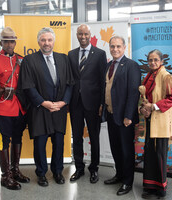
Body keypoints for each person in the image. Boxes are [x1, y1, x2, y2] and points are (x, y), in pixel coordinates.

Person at [18, 27, 74, 187]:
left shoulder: (63, 59)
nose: (46, 43)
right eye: (43, 40)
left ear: (53, 41)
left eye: (49, 40)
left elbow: (70, 84)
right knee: (40, 144)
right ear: (38, 42)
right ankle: (41, 173)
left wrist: (64, 102)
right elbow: (28, 86)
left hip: (59, 109)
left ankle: (57, 172)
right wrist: (44, 103)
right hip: (40, 109)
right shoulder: (29, 60)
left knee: (59, 142)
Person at [0, 27, 30, 190]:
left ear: (15, 42)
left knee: (18, 138)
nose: (10, 44)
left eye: (12, 41)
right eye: (6, 41)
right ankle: (5, 176)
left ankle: (15, 170)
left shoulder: (21, 59)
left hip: (19, 108)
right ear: (1, 42)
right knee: (4, 142)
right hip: (3, 109)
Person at [68, 24, 107, 183]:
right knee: (76, 137)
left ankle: (94, 169)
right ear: (77, 35)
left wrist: (101, 104)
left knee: (94, 137)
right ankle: (79, 168)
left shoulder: (100, 54)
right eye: (80, 34)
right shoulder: (71, 54)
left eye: (85, 34)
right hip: (75, 103)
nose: (83, 37)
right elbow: (69, 80)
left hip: (93, 104)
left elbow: (103, 81)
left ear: (90, 35)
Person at [103, 36, 141, 195]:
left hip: (125, 117)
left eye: (118, 46)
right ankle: (119, 174)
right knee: (115, 148)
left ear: (124, 48)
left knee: (126, 151)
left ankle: (127, 181)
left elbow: (133, 93)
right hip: (111, 114)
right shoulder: (108, 65)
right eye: (112, 46)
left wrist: (128, 116)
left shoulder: (131, 66)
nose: (115, 49)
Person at [139, 49, 172, 199]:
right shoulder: (149, 76)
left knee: (159, 154)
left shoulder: (166, 76)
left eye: (156, 60)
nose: (153, 62)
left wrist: (154, 106)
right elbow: (145, 99)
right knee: (149, 153)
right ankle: (150, 186)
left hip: (161, 121)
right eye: (150, 60)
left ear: (161, 61)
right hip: (151, 120)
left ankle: (160, 189)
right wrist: (143, 108)